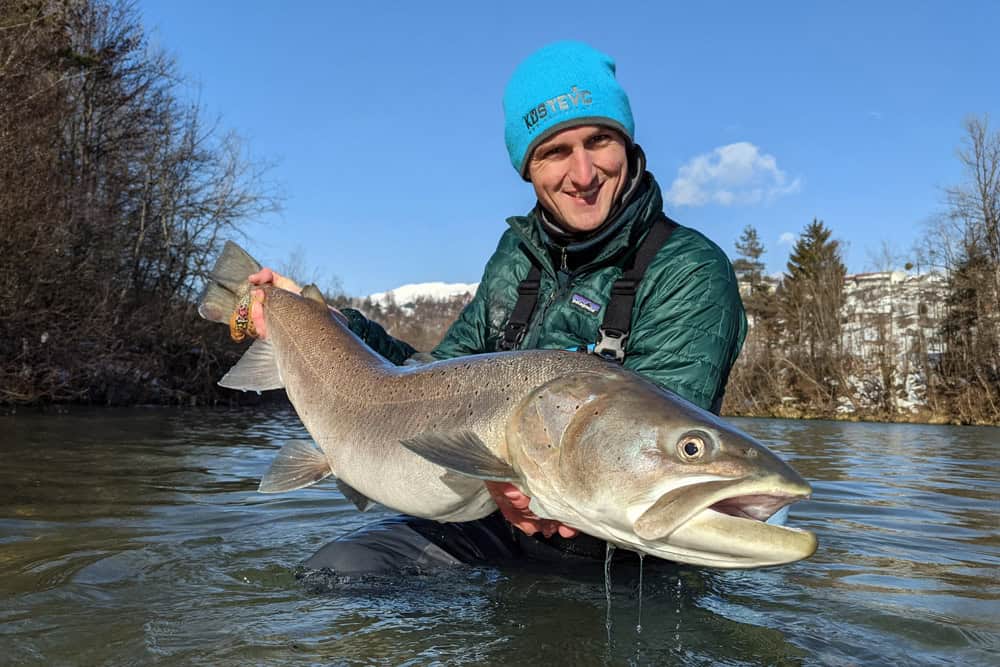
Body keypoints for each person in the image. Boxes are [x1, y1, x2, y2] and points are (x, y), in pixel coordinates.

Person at [248, 41, 747, 573]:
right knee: (340, 568)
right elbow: (426, 384)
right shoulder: (517, 261)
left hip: (627, 556)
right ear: (527, 167)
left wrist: (535, 483)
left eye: (598, 140)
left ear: (625, 142)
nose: (582, 174)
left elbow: (654, 453)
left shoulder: (689, 269)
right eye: (555, 151)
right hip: (498, 523)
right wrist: (325, 323)